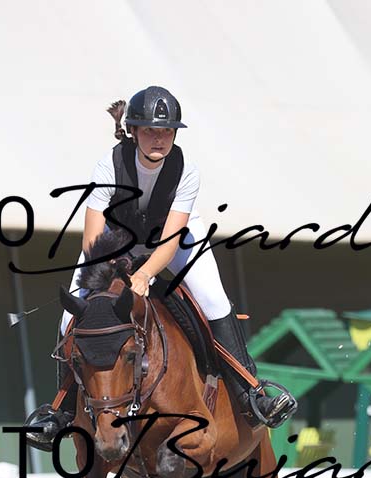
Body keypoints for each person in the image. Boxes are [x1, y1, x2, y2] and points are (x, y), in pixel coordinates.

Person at [27, 86, 296, 446]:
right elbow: (92, 240)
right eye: (151, 131)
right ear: (133, 131)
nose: (159, 139)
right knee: (69, 316)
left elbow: (169, 243)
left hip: (172, 238)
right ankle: (61, 410)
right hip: (112, 241)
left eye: (167, 131)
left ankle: (250, 394)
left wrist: (143, 274)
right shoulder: (109, 165)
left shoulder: (186, 171)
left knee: (214, 301)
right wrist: (113, 270)